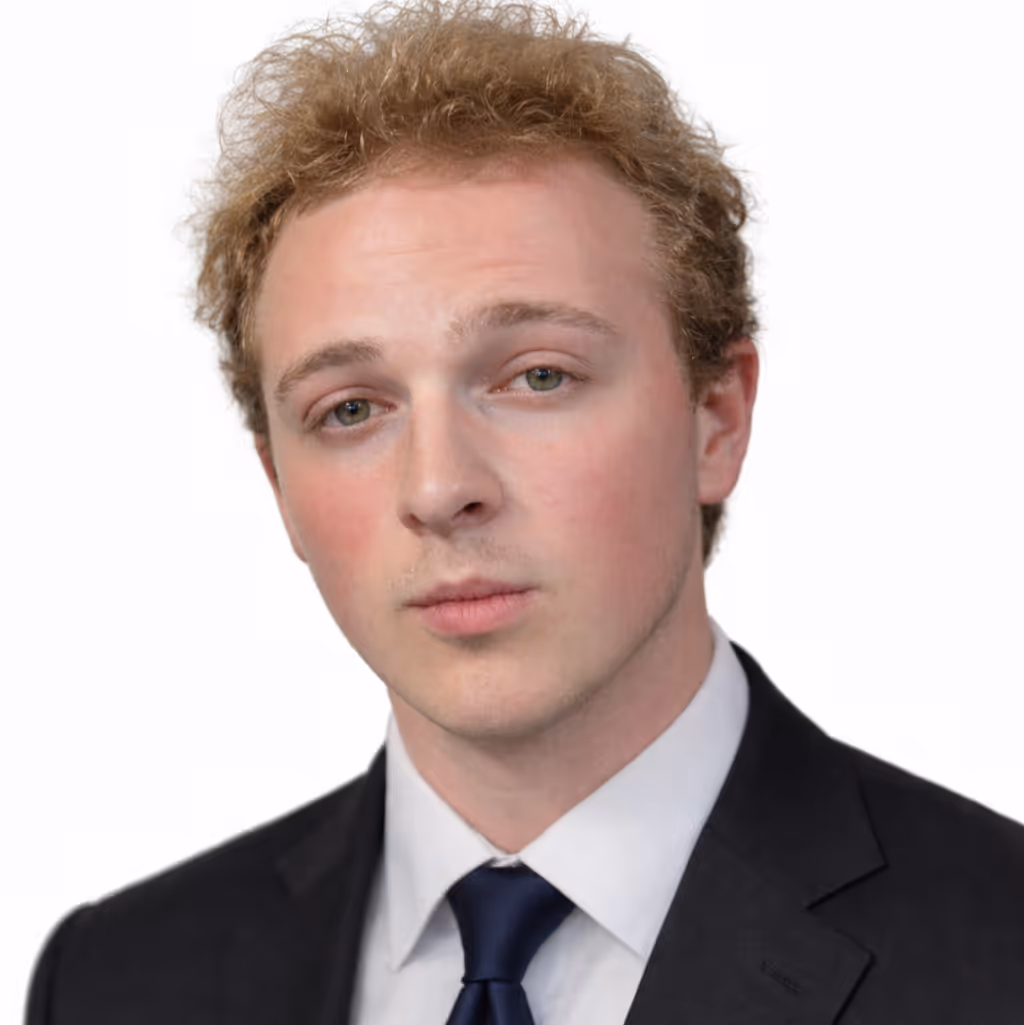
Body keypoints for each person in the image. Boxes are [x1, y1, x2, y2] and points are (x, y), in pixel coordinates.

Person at [25, 1, 1024, 1021]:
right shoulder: (116, 978)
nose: (436, 486)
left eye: (537, 375)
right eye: (351, 408)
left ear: (714, 419)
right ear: (279, 485)